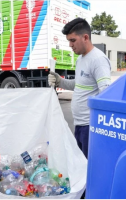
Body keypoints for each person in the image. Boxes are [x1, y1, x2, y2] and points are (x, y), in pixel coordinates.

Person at [48, 18, 111, 159]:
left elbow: (106, 94)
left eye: (73, 40)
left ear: (85, 37)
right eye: (69, 41)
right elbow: (79, 85)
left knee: (89, 168)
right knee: (82, 166)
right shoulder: (81, 59)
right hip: (79, 125)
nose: (70, 45)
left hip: (90, 127)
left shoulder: (98, 60)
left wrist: (99, 126)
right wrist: (59, 81)